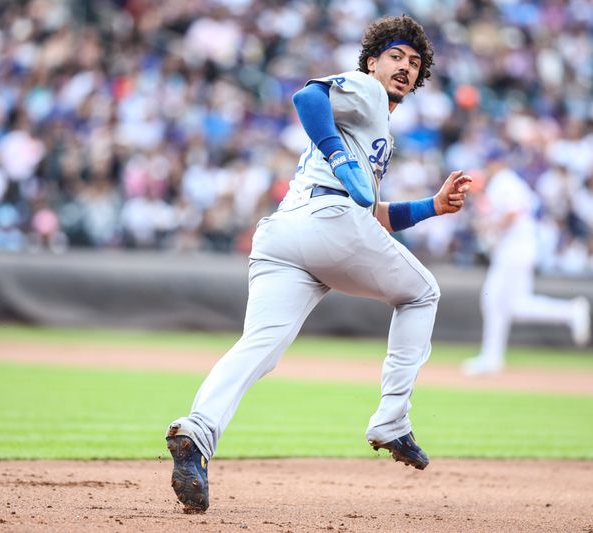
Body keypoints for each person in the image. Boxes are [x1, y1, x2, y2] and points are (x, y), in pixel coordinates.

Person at [165, 15, 473, 513]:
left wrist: (432, 207)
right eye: (396, 56)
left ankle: (197, 431)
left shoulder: (374, 126)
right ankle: (392, 420)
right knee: (422, 293)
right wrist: (341, 158)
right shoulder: (367, 92)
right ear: (373, 61)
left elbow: (373, 213)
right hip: (328, 222)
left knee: (259, 347)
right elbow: (307, 97)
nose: (405, 67)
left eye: (415, 63)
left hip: (287, 234)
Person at [462, 147, 591, 377]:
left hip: (514, 250)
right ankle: (570, 312)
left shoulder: (503, 181)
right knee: (516, 306)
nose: (489, 167)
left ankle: (491, 358)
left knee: (492, 299)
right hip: (522, 248)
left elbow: (513, 214)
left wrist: (489, 227)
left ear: (497, 163)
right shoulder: (511, 182)